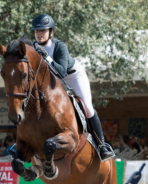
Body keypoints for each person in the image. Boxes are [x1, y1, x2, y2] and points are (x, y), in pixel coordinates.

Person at [31, 14, 114, 162]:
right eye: (36, 31)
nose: (39, 34)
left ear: (51, 32)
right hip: (54, 80)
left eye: (43, 30)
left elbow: (62, 72)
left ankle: (102, 145)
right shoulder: (34, 47)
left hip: (73, 77)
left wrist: (47, 57)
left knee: (87, 107)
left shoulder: (60, 46)